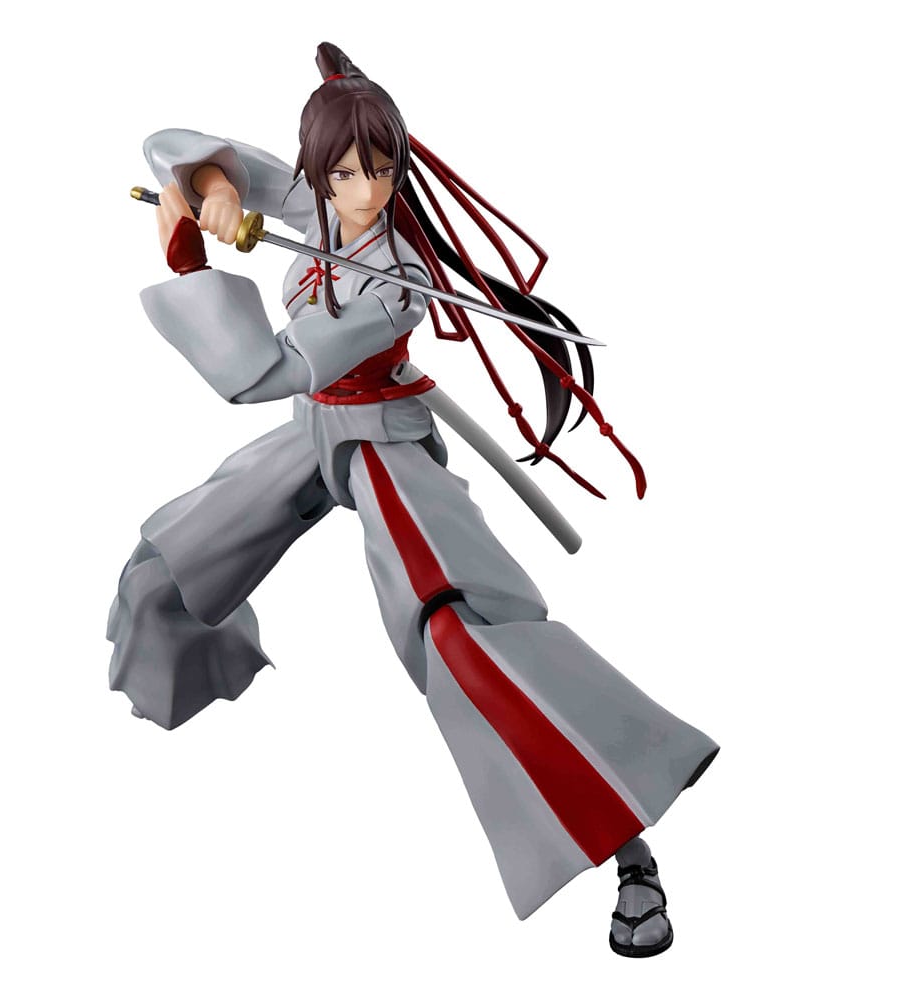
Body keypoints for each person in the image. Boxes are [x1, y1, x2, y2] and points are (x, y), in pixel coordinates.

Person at [107, 42, 718, 957]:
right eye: (345, 173)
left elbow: (267, 372)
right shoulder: (317, 203)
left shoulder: (399, 280)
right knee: (170, 560)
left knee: (460, 638)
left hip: (380, 443)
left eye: (381, 170)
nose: (364, 192)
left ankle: (627, 850)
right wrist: (214, 186)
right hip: (315, 434)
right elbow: (177, 148)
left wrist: (193, 267)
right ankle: (195, 682)